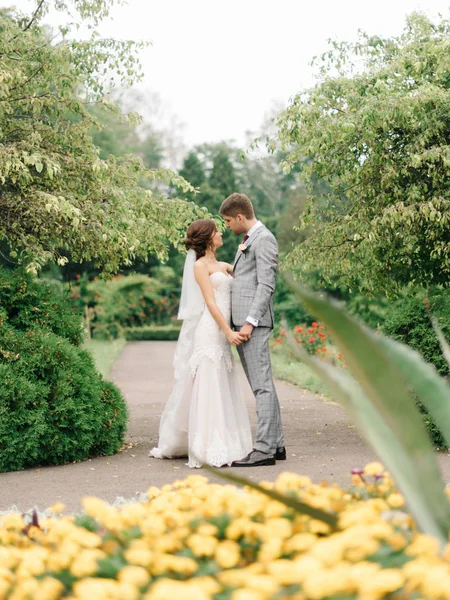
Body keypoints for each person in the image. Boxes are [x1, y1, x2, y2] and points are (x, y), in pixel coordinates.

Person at [149, 219, 252, 468]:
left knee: (223, 382)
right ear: (207, 238)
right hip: (210, 331)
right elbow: (210, 302)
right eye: (216, 231)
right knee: (209, 384)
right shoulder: (199, 266)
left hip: (222, 332)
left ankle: (229, 441)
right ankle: (206, 445)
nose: (220, 233)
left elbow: (240, 277)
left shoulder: (222, 265)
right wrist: (227, 331)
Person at [219, 193, 285, 467]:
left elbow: (266, 285)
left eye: (227, 222)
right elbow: (246, 279)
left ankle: (264, 450)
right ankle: (277, 445)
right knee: (263, 385)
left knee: (262, 387)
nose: (227, 227)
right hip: (245, 323)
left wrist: (249, 322)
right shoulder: (248, 241)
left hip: (253, 325)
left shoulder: (264, 239)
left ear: (240, 217)